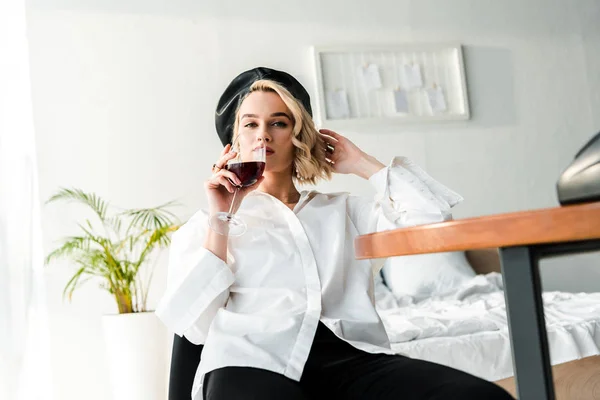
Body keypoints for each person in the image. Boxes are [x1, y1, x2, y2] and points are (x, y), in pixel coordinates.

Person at [156, 67, 513, 400]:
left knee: (482, 397)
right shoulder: (209, 223)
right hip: (253, 359)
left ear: (298, 135)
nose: (263, 134)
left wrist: (362, 164)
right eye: (250, 124)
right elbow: (192, 326)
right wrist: (221, 220)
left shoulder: (346, 211)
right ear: (234, 143)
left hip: (353, 359)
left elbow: (433, 217)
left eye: (278, 122)